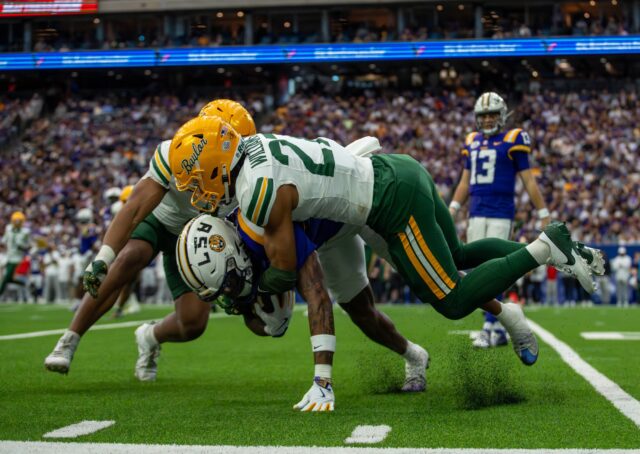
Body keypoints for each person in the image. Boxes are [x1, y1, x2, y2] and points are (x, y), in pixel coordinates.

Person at [168, 116, 604, 371]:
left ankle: (547, 247)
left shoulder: (254, 191)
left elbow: (287, 271)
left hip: (386, 203)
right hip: (395, 172)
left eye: (194, 181)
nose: (196, 194)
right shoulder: (258, 147)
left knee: (448, 298)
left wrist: (254, 290)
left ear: (214, 165)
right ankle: (528, 288)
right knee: (455, 258)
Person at [44, 100, 257, 378]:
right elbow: (133, 209)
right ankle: (69, 339)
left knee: (192, 324)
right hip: (161, 219)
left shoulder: (252, 168)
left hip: (200, 235)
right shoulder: (175, 153)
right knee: (130, 257)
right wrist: (103, 257)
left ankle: (150, 336)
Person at [449, 92, 551, 348]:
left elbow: (528, 179)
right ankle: (499, 327)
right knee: (477, 272)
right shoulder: (471, 140)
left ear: (503, 115)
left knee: (493, 268)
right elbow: (465, 180)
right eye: (483, 116)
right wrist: (453, 208)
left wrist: (543, 213)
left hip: (500, 211)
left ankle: (489, 326)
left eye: (492, 114)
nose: (487, 120)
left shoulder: (514, 138)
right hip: (476, 211)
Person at [0, 211, 31, 299]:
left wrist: (22, 246)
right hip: (9, 257)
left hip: (19, 258)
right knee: (9, 278)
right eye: (15, 220)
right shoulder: (8, 228)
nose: (17, 222)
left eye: (19, 221)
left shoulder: (26, 232)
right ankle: (27, 285)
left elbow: (28, 246)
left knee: (8, 278)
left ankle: (26, 291)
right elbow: (4, 241)